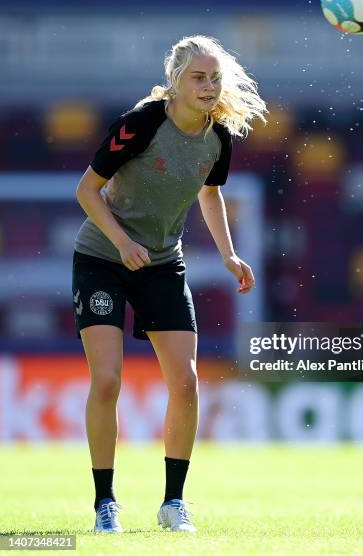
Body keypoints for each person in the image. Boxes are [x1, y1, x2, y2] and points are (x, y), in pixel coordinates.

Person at [72, 35, 268, 533]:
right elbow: (87, 190)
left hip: (161, 263)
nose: (209, 86)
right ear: (176, 81)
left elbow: (211, 194)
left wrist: (228, 254)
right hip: (102, 258)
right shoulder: (140, 124)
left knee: (185, 383)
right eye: (199, 77)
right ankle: (104, 505)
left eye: (215, 78)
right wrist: (120, 243)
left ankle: (173, 503)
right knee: (108, 380)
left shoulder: (218, 136)